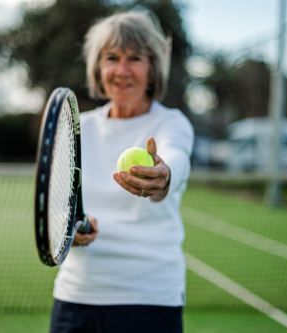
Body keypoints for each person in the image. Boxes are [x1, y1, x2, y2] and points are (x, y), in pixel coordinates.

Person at [50, 10, 194, 333]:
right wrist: (69, 231)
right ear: (98, 69)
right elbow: (60, 208)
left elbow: (176, 159)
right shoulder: (78, 127)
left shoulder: (171, 123)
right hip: (76, 297)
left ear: (153, 68)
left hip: (151, 300)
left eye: (135, 58)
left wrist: (163, 178)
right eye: (112, 58)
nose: (122, 70)